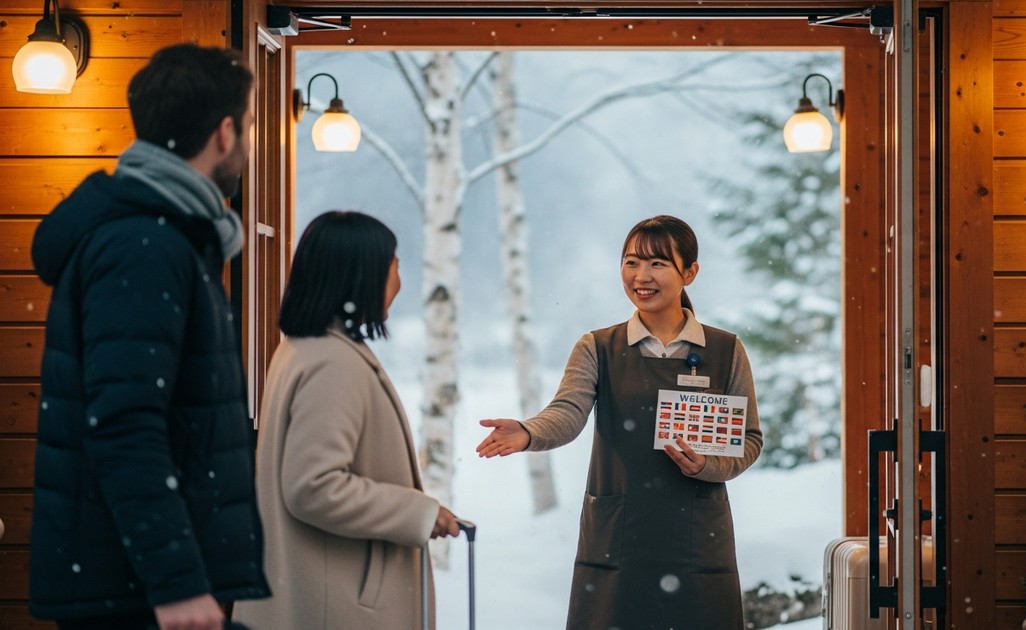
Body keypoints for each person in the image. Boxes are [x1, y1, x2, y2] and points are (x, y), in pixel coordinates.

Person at [28, 44, 269, 630]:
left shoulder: (164, 236)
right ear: (225, 133)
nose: (253, 142)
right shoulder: (145, 247)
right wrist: (177, 583)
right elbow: (124, 424)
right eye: (252, 124)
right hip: (133, 590)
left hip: (133, 580)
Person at [476, 214, 763, 629]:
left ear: (690, 272)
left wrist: (708, 465)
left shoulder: (725, 350)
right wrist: (528, 431)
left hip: (696, 535)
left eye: (657, 263)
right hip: (619, 535)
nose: (641, 276)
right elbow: (568, 412)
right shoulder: (598, 347)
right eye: (631, 262)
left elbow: (748, 439)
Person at [232, 210, 461, 630]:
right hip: (338, 605)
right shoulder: (332, 363)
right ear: (363, 275)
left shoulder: (306, 348)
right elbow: (313, 487)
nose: (399, 280)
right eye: (394, 265)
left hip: (321, 594)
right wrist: (417, 513)